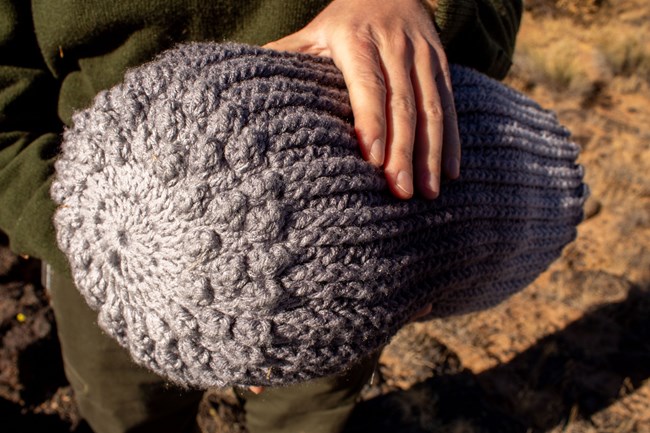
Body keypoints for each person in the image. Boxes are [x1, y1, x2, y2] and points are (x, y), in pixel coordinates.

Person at [0, 0, 522, 432]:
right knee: (127, 418)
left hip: (344, 260)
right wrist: (72, 226)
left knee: (305, 420)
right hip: (110, 262)